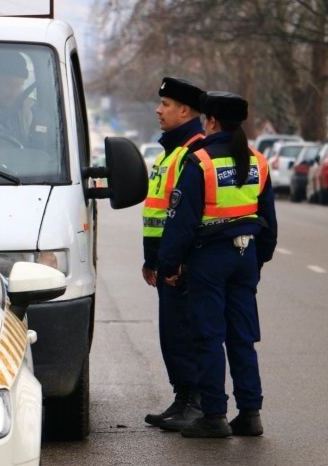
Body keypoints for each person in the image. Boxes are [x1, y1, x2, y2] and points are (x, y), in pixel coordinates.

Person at [157, 91, 277, 438]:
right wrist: (258, 259)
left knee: (208, 335)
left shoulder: (201, 162)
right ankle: (250, 413)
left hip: (209, 258)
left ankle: (214, 415)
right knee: (242, 336)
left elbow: (181, 221)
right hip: (245, 256)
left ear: (210, 121)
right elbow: (268, 218)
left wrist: (169, 264)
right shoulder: (258, 161)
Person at [141, 77, 206, 431]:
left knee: (183, 333)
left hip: (181, 263)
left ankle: (193, 401)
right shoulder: (173, 150)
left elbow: (183, 216)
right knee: (171, 333)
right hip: (166, 260)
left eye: (165, 104)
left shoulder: (193, 150)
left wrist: (172, 260)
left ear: (185, 111)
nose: (158, 109)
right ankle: (182, 398)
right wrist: (151, 258)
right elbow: (157, 213)